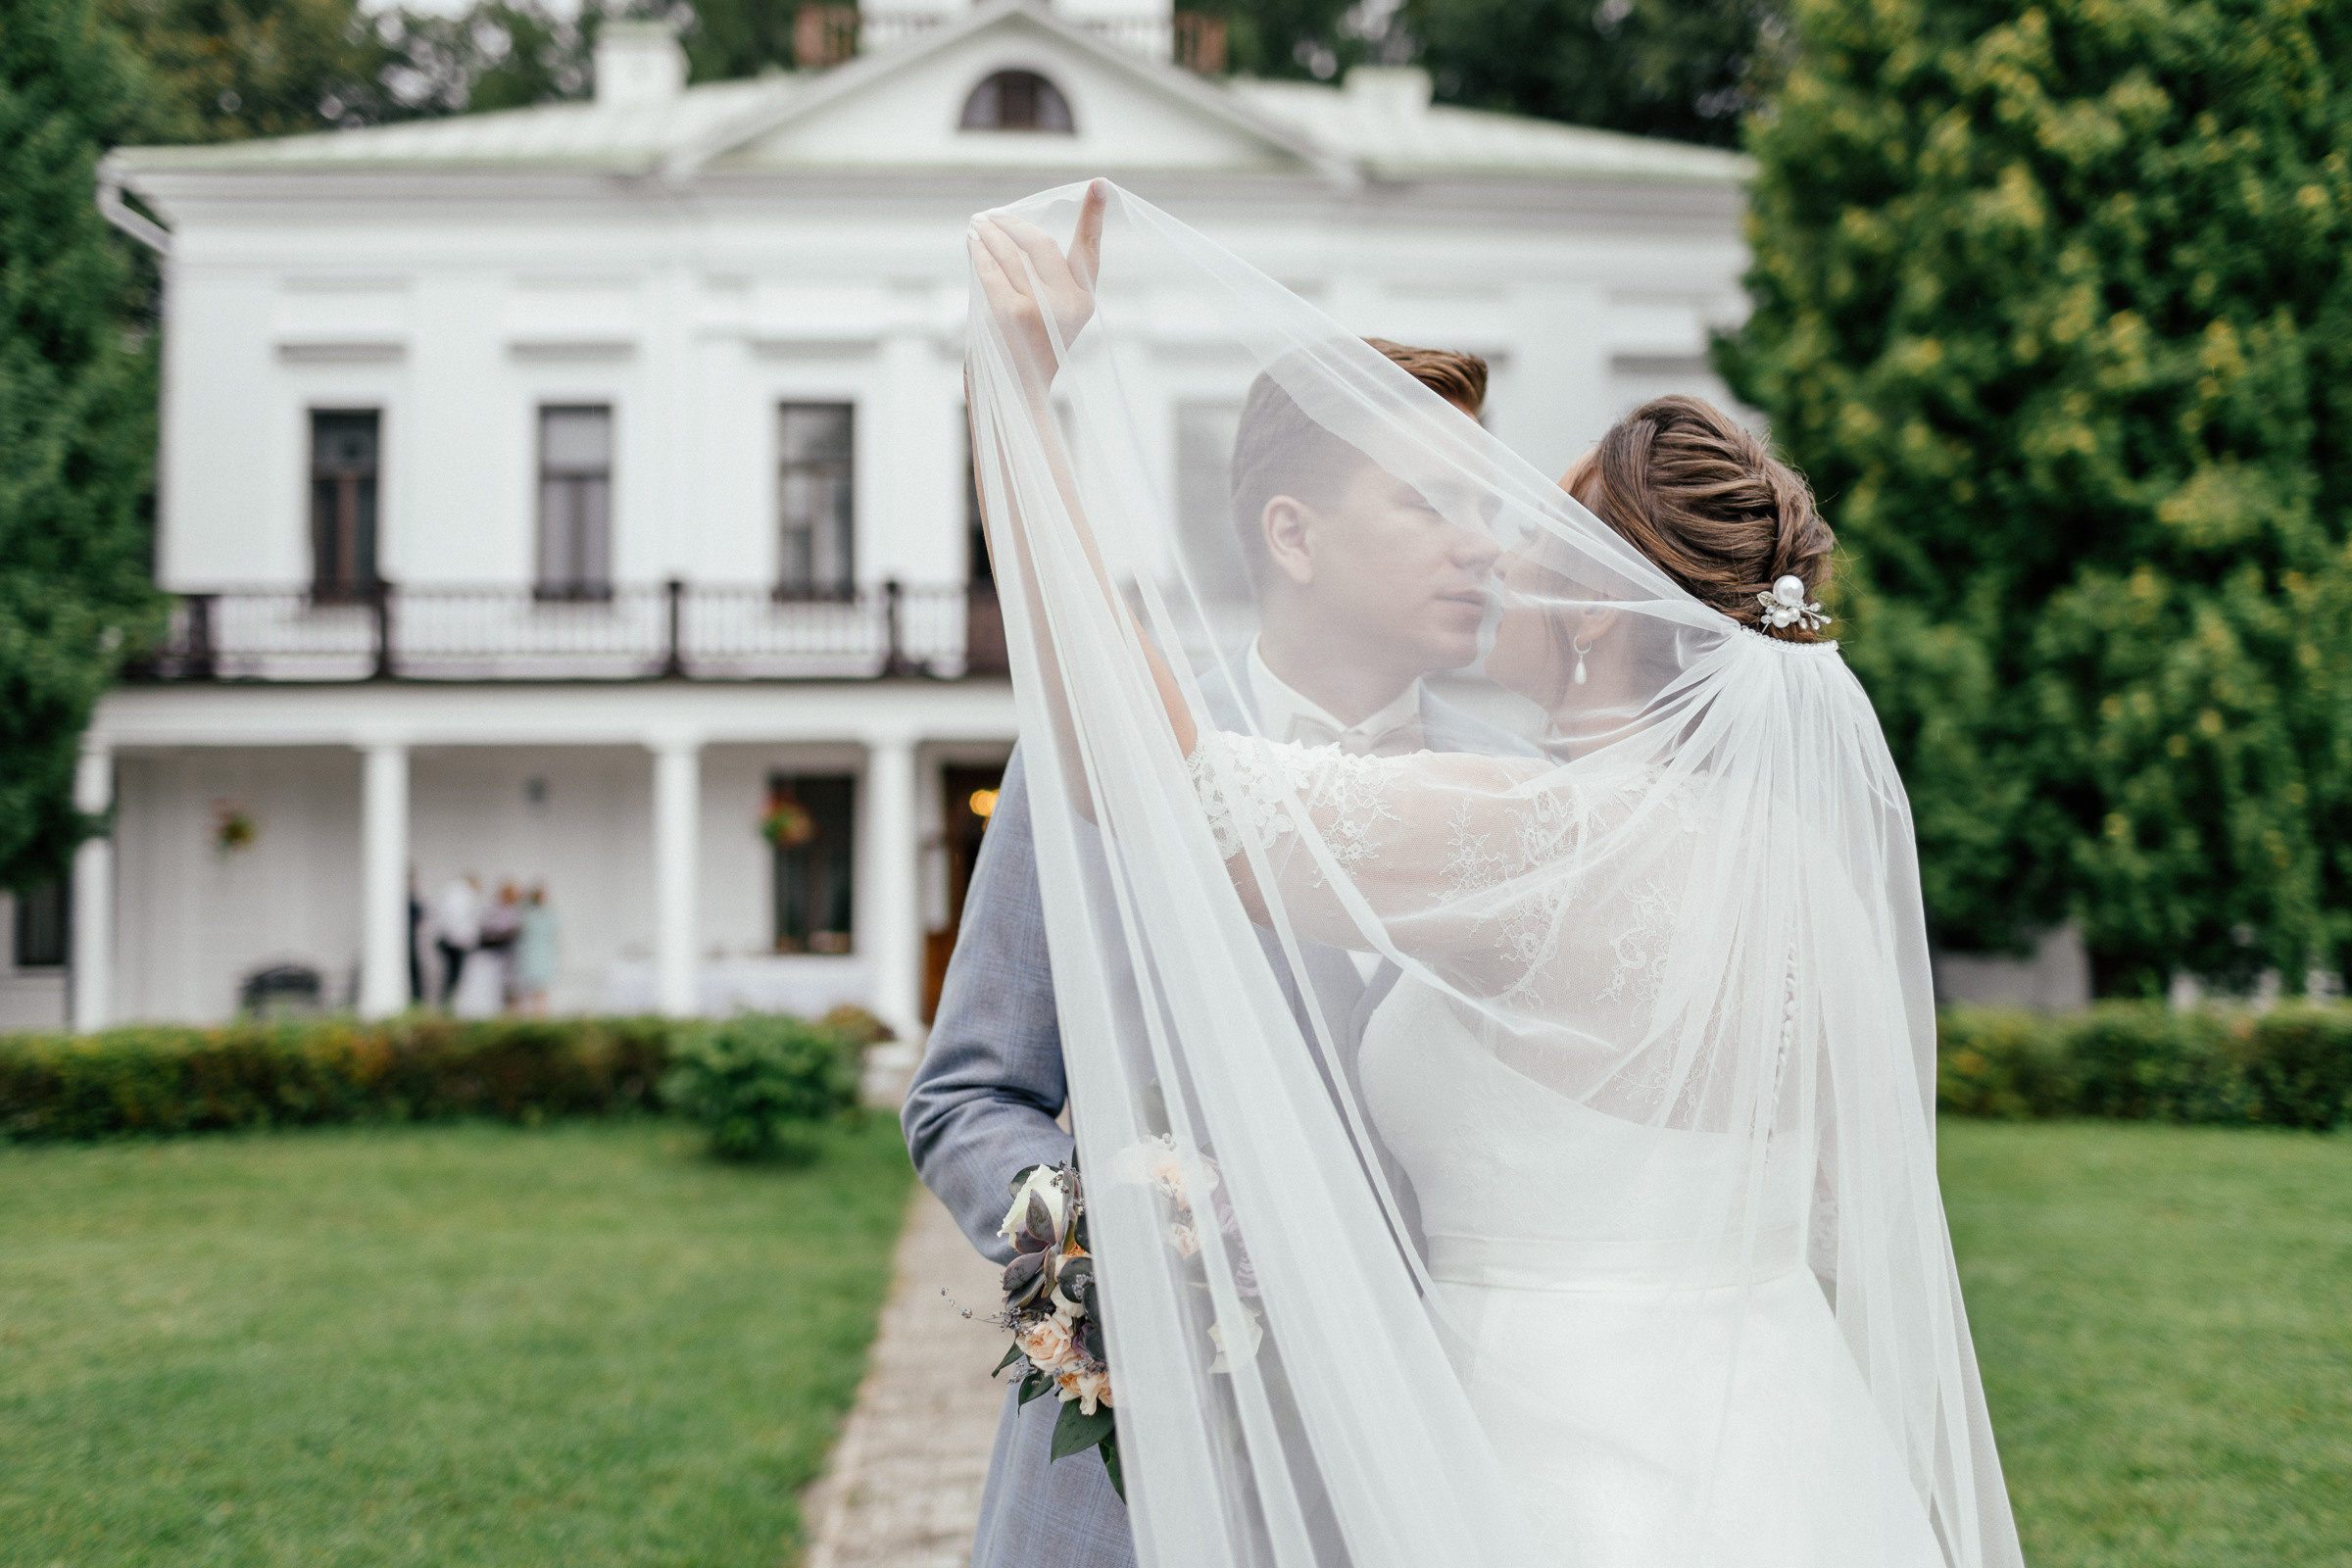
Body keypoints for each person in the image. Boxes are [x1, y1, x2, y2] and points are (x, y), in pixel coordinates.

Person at [957, 181, 2024, 1568]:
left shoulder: (1543, 836)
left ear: (1601, 611)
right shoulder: (1804, 874)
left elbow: (1162, 788)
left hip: (1540, 1461)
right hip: (1782, 1437)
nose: (1500, 549)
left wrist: (1022, 408)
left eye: (1541, 526)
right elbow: (1830, 1204)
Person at [904, 331, 1529, 1568]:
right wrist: (1098, 1253)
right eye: (1429, 502)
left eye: (1487, 507)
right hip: (1125, 1496)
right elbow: (969, 1095)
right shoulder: (1086, 759)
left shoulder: (1522, 798)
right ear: (1293, 536)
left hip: (1421, 1471)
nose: (1486, 545)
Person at [430, 873, 481, 1010]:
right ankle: (448, 1004)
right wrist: (465, 939)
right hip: (455, 942)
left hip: (448, 939)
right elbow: (459, 921)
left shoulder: (452, 892)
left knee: (450, 975)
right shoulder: (463, 895)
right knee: (453, 976)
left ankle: (447, 1003)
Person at [514, 884, 559, 1016]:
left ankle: (538, 1015)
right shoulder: (529, 914)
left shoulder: (543, 915)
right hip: (533, 955)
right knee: (532, 989)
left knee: (539, 990)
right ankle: (536, 1015)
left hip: (539, 955)